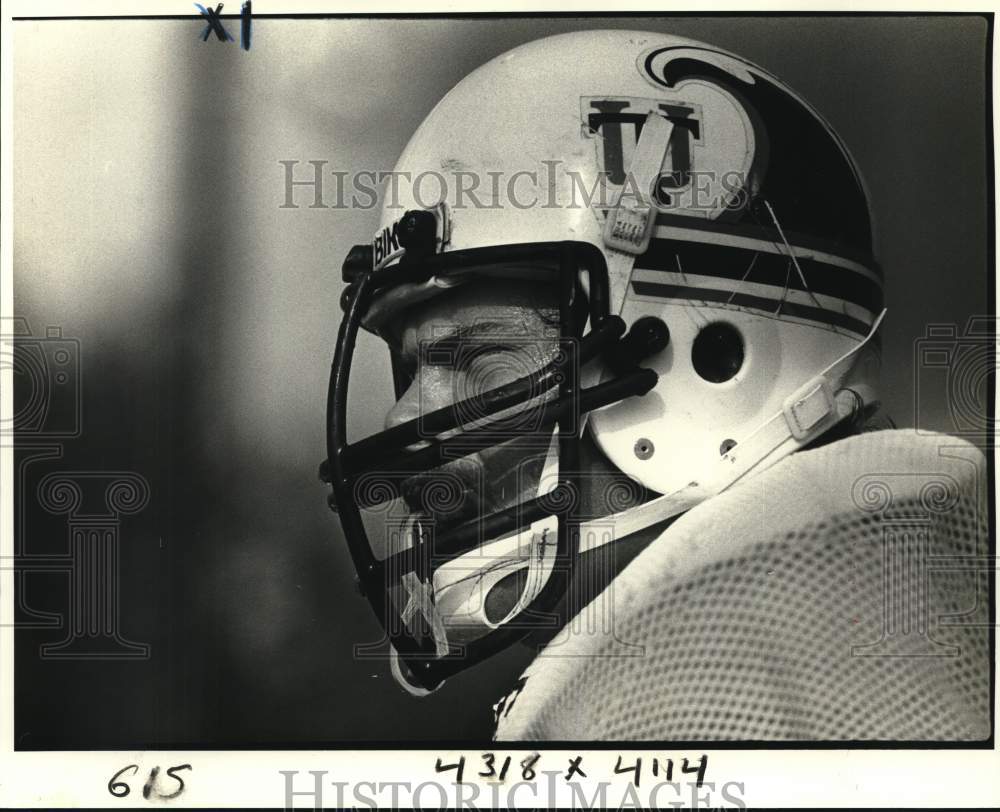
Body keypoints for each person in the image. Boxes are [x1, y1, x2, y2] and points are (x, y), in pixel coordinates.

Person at [323, 30, 989, 740]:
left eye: (478, 354)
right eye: (411, 363)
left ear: (718, 358)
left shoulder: (721, 700)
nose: (406, 412)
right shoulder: (874, 624)